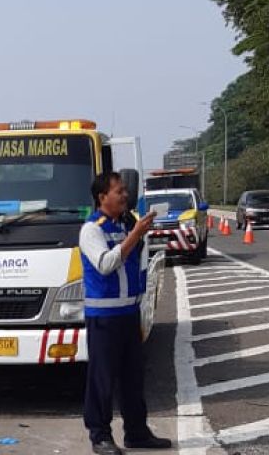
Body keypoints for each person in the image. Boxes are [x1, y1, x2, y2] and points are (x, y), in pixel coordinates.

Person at [79, 172, 171, 455]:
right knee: (102, 380)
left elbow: (136, 257)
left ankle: (137, 432)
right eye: (118, 191)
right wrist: (134, 235)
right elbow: (106, 264)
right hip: (104, 318)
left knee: (133, 377)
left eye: (124, 191)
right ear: (102, 197)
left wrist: (136, 232)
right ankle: (100, 435)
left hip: (128, 313)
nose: (124, 195)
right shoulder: (92, 229)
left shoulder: (123, 224)